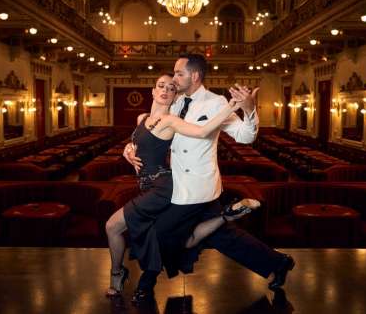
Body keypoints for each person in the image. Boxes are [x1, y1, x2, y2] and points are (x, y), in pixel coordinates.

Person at [124, 54, 295, 303]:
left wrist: (249, 108)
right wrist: (130, 148)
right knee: (221, 235)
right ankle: (279, 262)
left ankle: (146, 283)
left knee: (159, 231)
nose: (174, 78)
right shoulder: (173, 100)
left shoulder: (216, 103)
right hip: (173, 184)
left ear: (194, 75)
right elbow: (148, 130)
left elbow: (245, 136)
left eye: (178, 73)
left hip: (198, 185)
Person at [105, 73, 260, 297]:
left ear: (174, 96)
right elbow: (139, 141)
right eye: (161, 86)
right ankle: (227, 215)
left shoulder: (171, 121)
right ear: (152, 91)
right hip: (146, 186)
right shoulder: (142, 118)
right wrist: (127, 150)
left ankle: (117, 273)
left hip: (162, 187)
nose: (166, 90)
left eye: (171, 88)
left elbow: (204, 131)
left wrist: (231, 106)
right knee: (180, 239)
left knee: (112, 226)